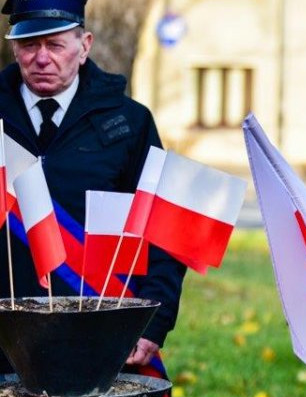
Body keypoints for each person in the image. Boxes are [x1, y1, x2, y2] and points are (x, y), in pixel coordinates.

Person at [0, 0, 186, 368]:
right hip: (4, 334)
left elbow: (163, 230)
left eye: (55, 45)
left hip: (98, 331)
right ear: (14, 48)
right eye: (29, 45)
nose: (41, 58)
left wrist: (153, 323)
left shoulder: (130, 123)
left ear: (84, 46)